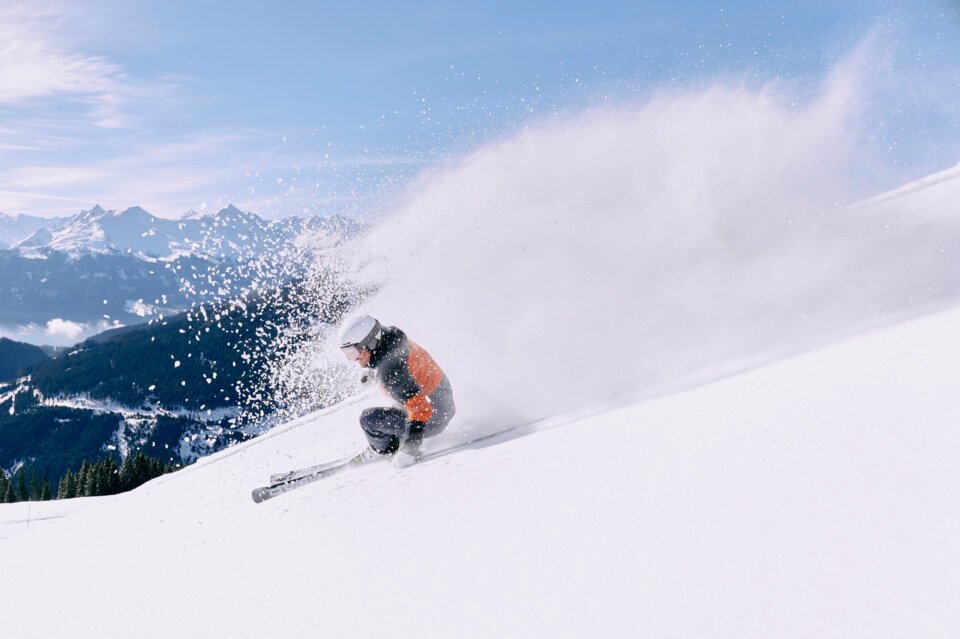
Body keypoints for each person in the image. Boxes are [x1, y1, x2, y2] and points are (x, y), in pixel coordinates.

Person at [338, 315, 455, 468]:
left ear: (369, 343)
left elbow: (421, 408)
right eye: (347, 354)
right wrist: (373, 370)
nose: (354, 359)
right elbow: (398, 364)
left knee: (369, 419)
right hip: (441, 402)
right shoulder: (390, 338)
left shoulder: (391, 373)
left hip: (435, 416)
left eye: (353, 352)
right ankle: (393, 440)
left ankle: (384, 450)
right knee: (395, 410)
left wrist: (410, 450)